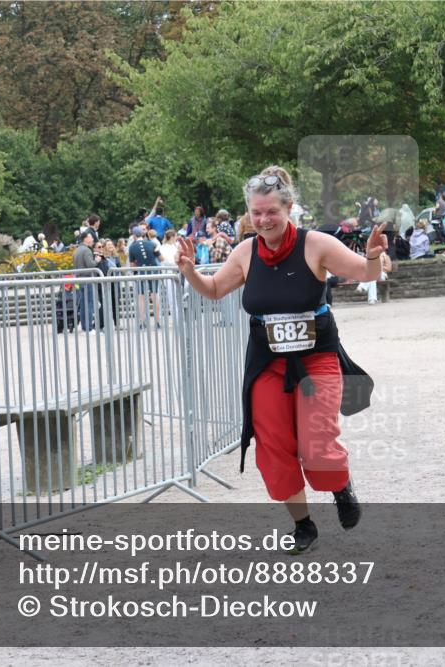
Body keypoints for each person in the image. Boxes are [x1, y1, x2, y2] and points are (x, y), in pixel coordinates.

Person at [174, 165, 378, 553]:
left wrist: (371, 259)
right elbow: (215, 289)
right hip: (267, 364)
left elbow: (363, 273)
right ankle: (303, 526)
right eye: (257, 212)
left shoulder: (315, 244)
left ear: (289, 209)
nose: (264, 220)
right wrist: (190, 273)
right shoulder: (245, 252)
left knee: (317, 443)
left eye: (272, 212)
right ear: (248, 213)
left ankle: (340, 486)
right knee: (273, 446)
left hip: (316, 358)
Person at [128, 225, 160, 328]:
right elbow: (162, 258)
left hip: (141, 272)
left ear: (134, 235)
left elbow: (132, 265)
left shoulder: (132, 247)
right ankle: (157, 321)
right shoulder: (152, 244)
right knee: (154, 295)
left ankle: (142, 321)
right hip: (153, 271)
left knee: (141, 297)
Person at [72, 231, 97, 332]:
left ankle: (84, 326)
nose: (92, 240)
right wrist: (97, 260)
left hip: (79, 280)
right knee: (89, 304)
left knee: (83, 304)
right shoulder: (87, 250)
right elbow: (90, 265)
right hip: (87, 279)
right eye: (91, 237)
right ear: (85, 238)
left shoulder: (77, 250)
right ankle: (89, 328)